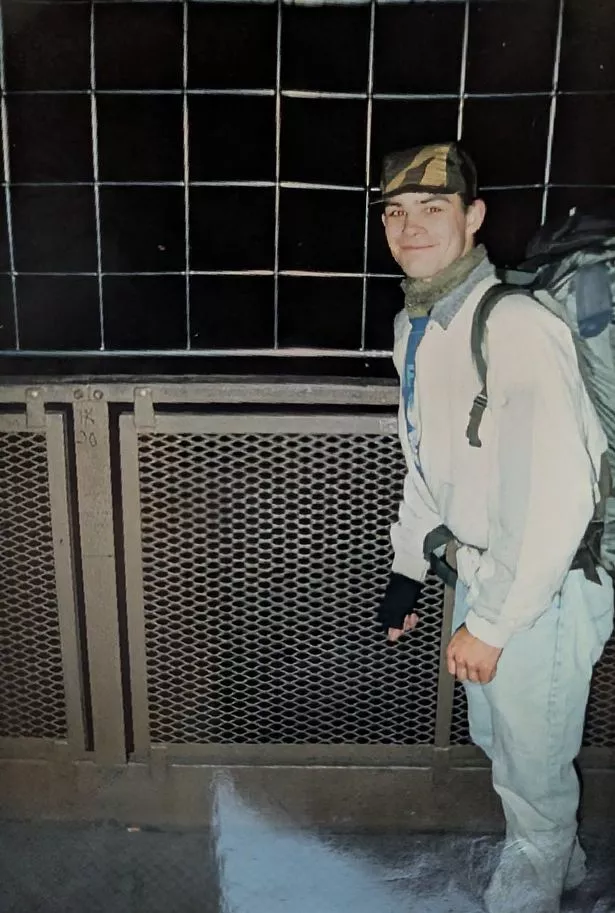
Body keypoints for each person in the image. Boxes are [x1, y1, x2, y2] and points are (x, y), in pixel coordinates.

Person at [375, 141, 614, 913]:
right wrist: (407, 567)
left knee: (531, 754)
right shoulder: (413, 330)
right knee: (499, 736)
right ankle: (566, 859)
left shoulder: (512, 326)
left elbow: (557, 496)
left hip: (545, 584)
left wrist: (494, 622)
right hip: (482, 573)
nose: (410, 228)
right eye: (395, 212)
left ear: (472, 218)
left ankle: (532, 880)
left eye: (432, 209)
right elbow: (427, 464)